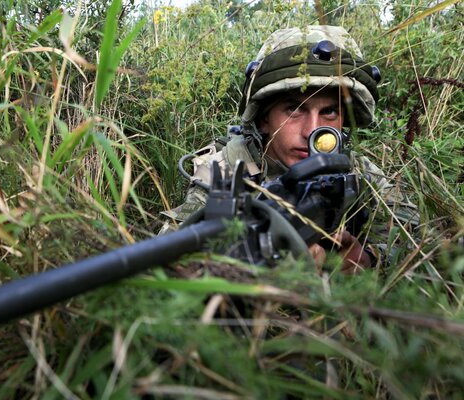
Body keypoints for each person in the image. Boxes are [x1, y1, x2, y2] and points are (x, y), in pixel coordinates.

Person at [161, 25, 418, 273]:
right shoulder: (225, 170)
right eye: (294, 110)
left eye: (329, 111)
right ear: (264, 120)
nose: (312, 132)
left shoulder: (360, 171)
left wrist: (369, 258)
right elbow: (171, 256)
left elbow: (419, 238)